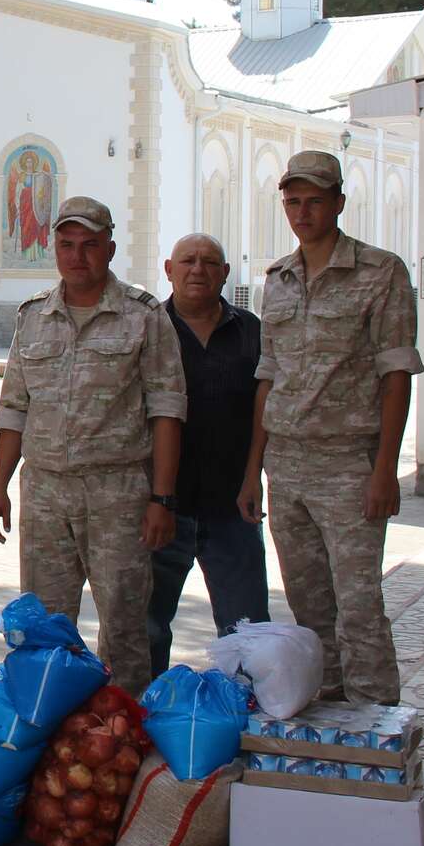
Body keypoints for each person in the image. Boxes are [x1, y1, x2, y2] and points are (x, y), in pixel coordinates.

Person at [239, 151, 422, 706]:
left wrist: (385, 470)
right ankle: (333, 711)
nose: (303, 212)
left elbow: (396, 373)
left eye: (315, 200)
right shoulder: (279, 278)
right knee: (309, 603)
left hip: (349, 463)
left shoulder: (380, 272)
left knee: (359, 605)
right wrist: (254, 472)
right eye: (293, 201)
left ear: (339, 203)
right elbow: (268, 377)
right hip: (286, 466)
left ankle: (377, 728)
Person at [0, 196, 184, 700]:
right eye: (67, 245)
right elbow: (14, 410)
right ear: (53, 248)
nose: (78, 256)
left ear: (110, 249)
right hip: (46, 489)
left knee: (124, 624)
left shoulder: (143, 316)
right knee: (44, 625)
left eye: (90, 245)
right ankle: (49, 737)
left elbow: (167, 409)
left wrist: (161, 499)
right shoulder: (34, 316)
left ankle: (124, 734)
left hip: (118, 492)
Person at [145, 233, 271, 676]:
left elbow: (264, 411)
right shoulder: (148, 329)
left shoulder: (252, 331)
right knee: (147, 631)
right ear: (168, 269)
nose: (197, 269)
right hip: (161, 508)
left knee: (248, 632)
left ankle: (246, 720)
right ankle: (146, 722)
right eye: (187, 261)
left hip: (232, 507)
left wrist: (254, 476)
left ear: (225, 273)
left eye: (209, 262)